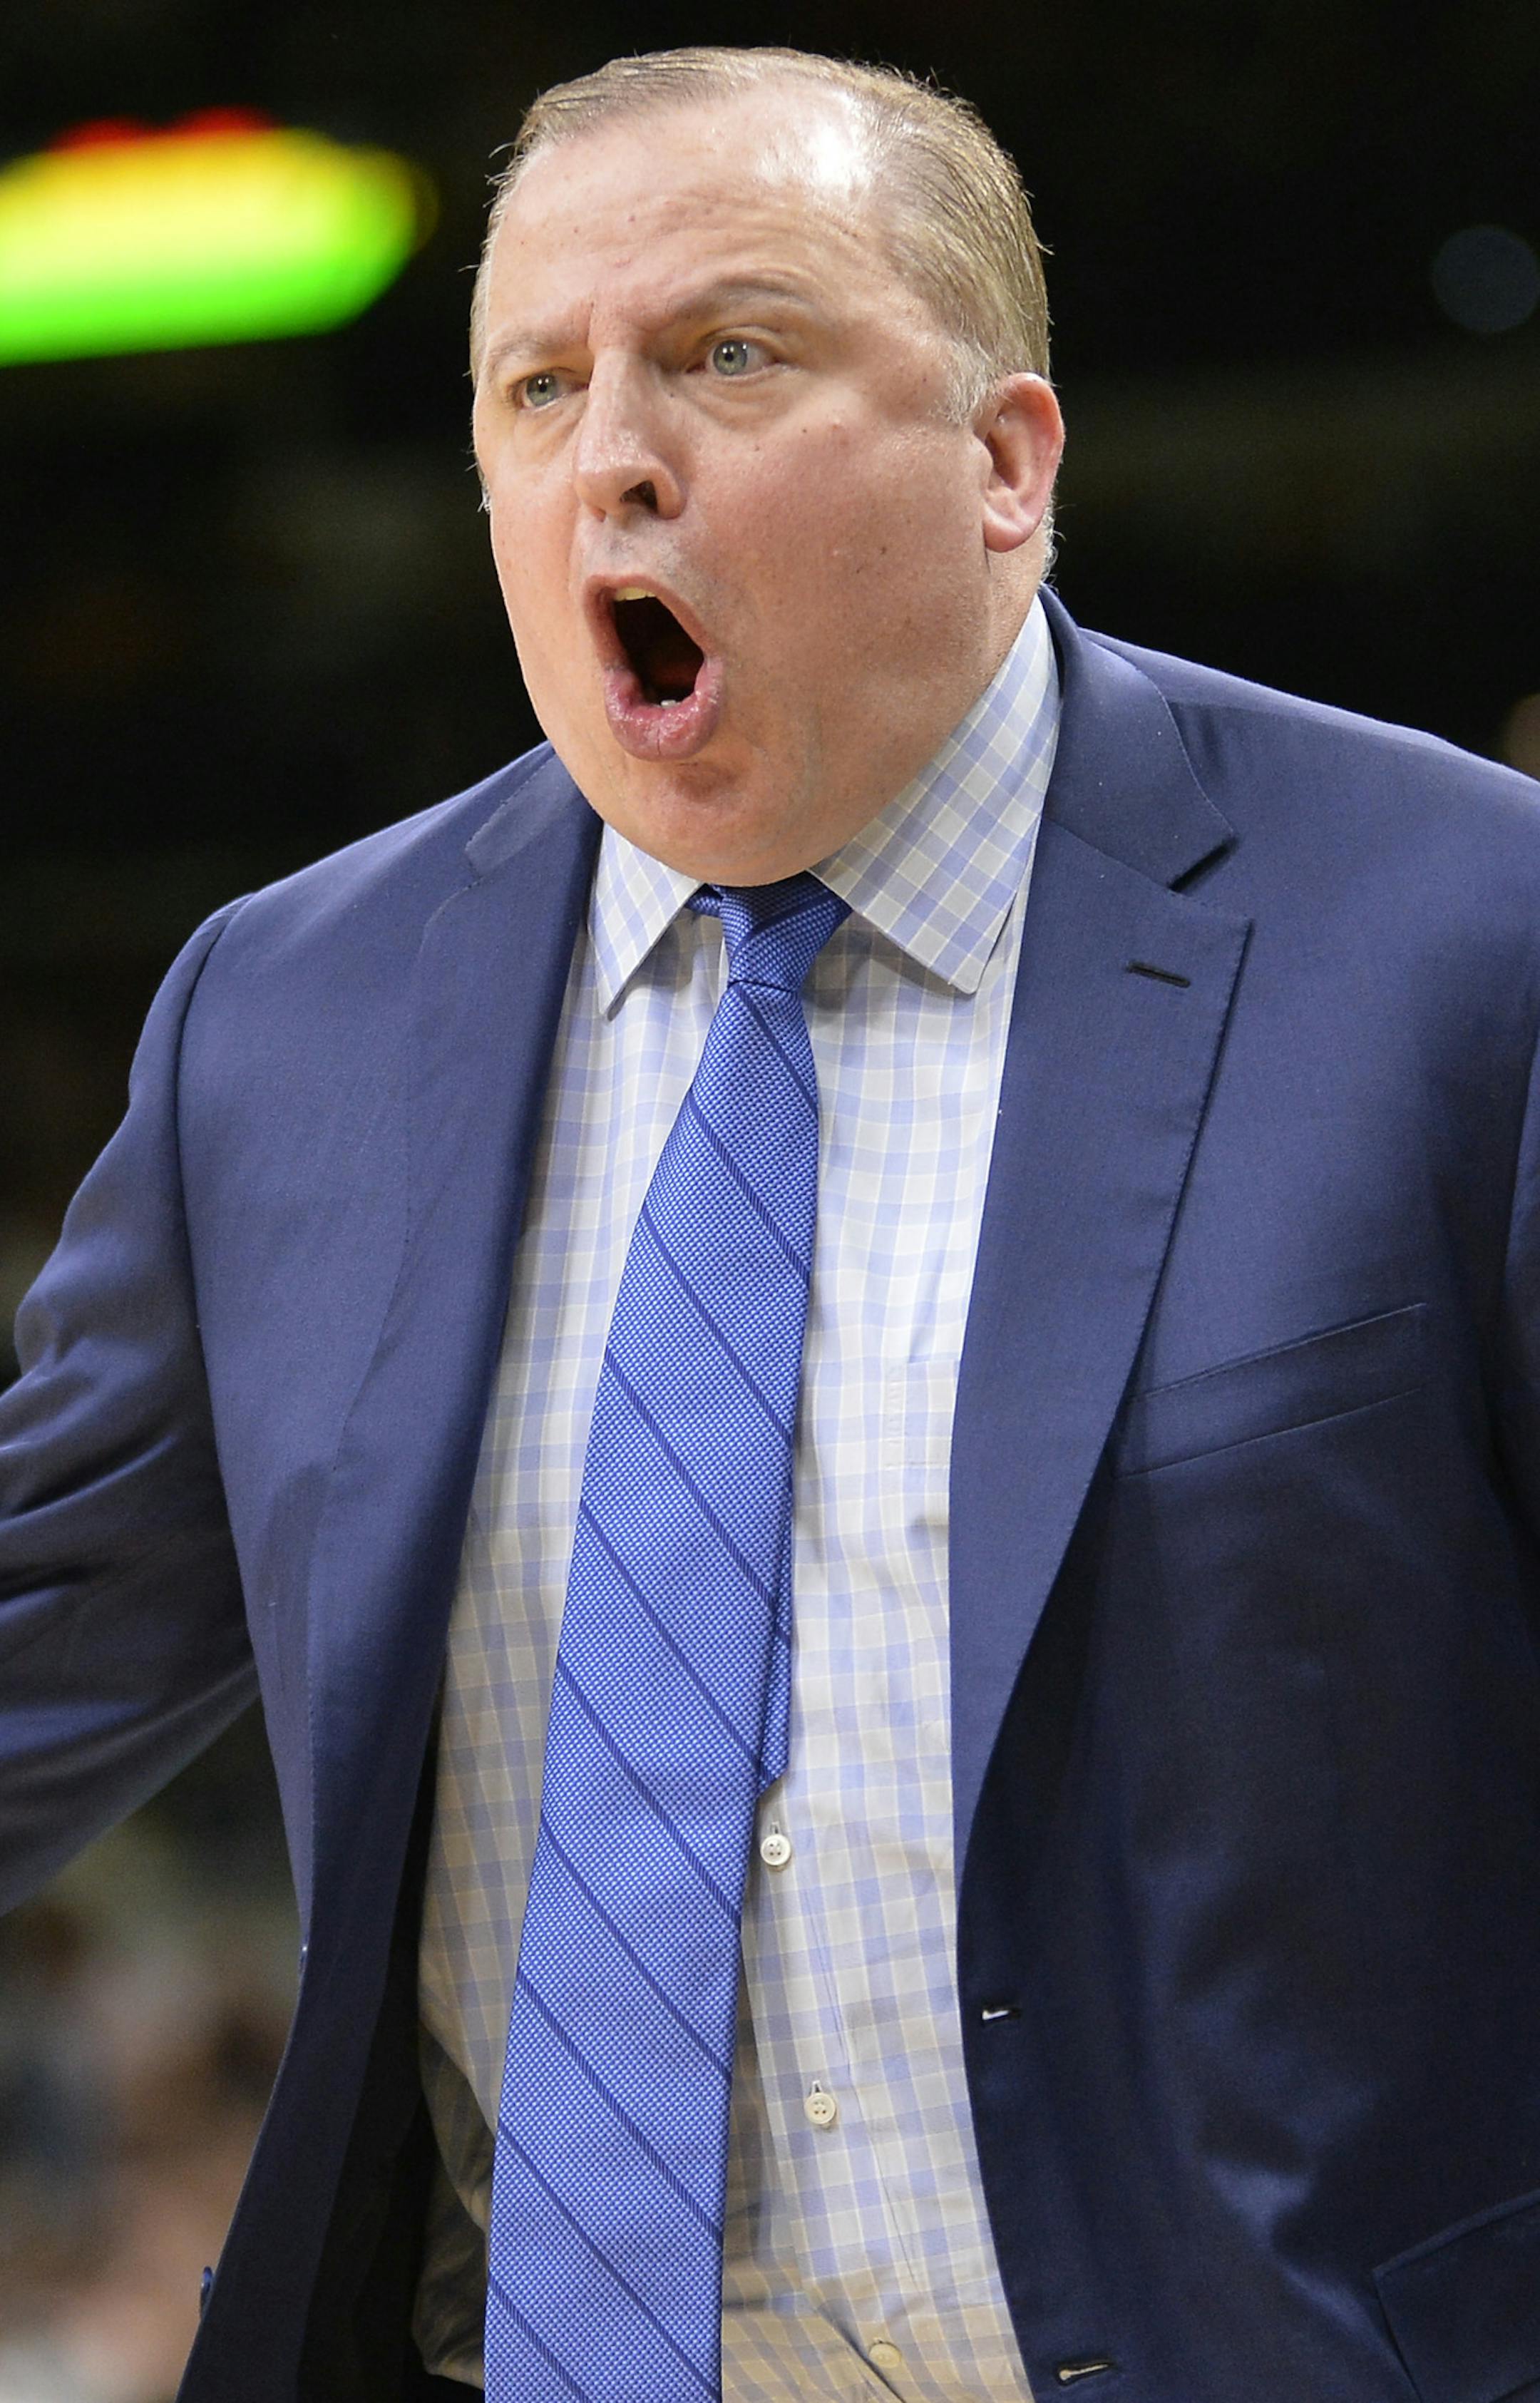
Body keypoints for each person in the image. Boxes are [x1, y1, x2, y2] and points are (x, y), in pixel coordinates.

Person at [2, 40, 1540, 2403]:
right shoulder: (283, 1024)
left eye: (731, 350)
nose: (615, 447)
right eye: (539, 383)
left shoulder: (1459, 941)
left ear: (1007, 462)